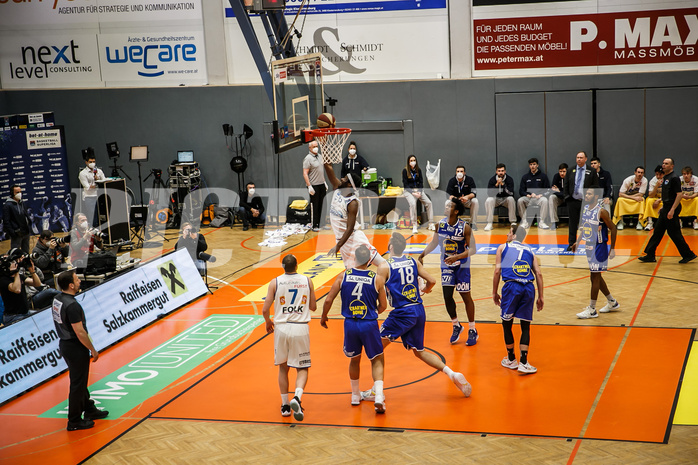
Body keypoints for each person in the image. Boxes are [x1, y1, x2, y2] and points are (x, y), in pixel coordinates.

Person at [376, 232, 471, 396]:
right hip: (419, 310)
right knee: (419, 351)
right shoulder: (412, 261)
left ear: (390, 246)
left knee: (376, 348)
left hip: (402, 312)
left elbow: (376, 290)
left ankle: (377, 392)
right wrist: (424, 290)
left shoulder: (385, 265)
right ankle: (452, 373)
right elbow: (432, 280)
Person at [321, 245, 388, 413]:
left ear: (355, 259)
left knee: (354, 359)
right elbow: (383, 306)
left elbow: (328, 300)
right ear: (369, 261)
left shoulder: (343, 276)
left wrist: (324, 316)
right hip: (369, 323)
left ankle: (355, 395)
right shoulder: (377, 278)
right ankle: (378, 396)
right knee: (377, 359)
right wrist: (371, 312)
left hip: (350, 324)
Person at [261, 254, 317, 421]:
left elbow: (265, 309)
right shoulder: (308, 281)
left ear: (283, 267)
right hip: (300, 328)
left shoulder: (275, 282)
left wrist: (268, 322)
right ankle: (297, 397)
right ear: (297, 266)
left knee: (283, 368)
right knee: (302, 368)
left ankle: (285, 405)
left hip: (281, 328)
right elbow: (313, 306)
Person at [52, 270, 109, 431]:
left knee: (80, 380)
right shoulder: (73, 305)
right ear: (70, 285)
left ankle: (89, 409)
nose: (79, 281)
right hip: (75, 347)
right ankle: (74, 421)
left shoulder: (57, 299)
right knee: (78, 384)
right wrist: (92, 349)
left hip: (65, 345)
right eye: (76, 279)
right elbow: (80, 332)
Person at [418, 198, 478, 346]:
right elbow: (433, 243)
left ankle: (472, 329)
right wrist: (422, 255)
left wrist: (457, 256)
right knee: (447, 296)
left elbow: (473, 249)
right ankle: (456, 325)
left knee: (466, 297)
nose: (446, 207)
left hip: (461, 266)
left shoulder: (465, 228)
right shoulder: (440, 225)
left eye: (449, 206)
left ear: (456, 211)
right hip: (446, 266)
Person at [492, 223, 544, 374]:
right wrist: (541, 296)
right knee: (525, 326)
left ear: (514, 235)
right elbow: (539, 274)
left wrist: (494, 292)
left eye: (509, 232)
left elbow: (497, 271)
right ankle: (524, 362)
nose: (507, 235)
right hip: (528, 288)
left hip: (511, 287)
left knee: (507, 324)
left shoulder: (503, 247)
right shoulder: (530, 250)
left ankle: (510, 359)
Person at [323, 162, 387, 269]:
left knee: (382, 263)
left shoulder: (352, 203)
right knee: (352, 272)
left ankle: (400, 273)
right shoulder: (337, 188)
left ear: (349, 185)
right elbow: (329, 170)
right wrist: (324, 155)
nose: (342, 179)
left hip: (354, 239)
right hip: (342, 241)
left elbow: (350, 228)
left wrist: (337, 246)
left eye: (345, 178)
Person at [572, 188, 621, 318]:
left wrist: (612, 248)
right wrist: (577, 242)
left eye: (589, 194)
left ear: (596, 197)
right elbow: (585, 228)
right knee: (594, 277)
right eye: (586, 193)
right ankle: (612, 302)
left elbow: (613, 228)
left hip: (599, 247)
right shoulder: (586, 209)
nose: (586, 195)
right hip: (589, 247)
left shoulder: (602, 212)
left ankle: (592, 309)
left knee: (595, 277)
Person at [639, 158, 697, 264]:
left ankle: (688, 254)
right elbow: (667, 195)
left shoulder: (674, 178)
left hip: (671, 208)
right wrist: (663, 207)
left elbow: (679, 195)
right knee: (657, 232)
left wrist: (672, 210)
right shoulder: (666, 177)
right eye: (663, 163)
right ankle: (650, 255)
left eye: (666, 164)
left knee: (674, 233)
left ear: (672, 166)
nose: (664, 165)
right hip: (666, 208)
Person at [562, 151, 599, 250]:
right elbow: (565, 185)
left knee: (588, 224)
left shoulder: (591, 171)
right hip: (572, 200)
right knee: (572, 223)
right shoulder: (570, 170)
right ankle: (571, 244)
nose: (579, 159)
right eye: (577, 157)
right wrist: (567, 197)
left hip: (586, 202)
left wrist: (593, 201)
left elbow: (595, 186)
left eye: (581, 157)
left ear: (586, 159)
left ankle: (590, 244)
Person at [402, 155, 435, 234]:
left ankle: (431, 223)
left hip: (418, 190)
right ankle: (414, 225)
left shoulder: (418, 170)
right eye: (411, 160)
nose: (413, 162)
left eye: (414, 160)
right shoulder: (405, 170)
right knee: (413, 204)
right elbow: (405, 185)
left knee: (429, 203)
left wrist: (419, 192)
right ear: (408, 162)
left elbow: (421, 182)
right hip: (409, 191)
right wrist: (413, 193)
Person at [517, 157, 551, 229]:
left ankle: (542, 222)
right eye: (531, 164)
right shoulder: (525, 177)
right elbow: (521, 191)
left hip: (539, 198)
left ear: (537, 165)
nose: (532, 166)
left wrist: (541, 195)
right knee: (520, 200)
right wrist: (527, 194)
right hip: (528, 198)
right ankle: (524, 222)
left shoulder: (543, 176)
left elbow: (548, 190)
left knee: (545, 200)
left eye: (534, 164)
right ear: (529, 166)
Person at [302, 140, 327, 232]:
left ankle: (322, 223)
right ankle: (314, 225)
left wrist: (324, 182)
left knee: (323, 204)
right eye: (314, 146)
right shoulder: (308, 158)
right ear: (310, 148)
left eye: (317, 146)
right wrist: (309, 186)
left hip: (321, 184)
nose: (316, 148)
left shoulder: (320, 156)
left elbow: (321, 171)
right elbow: (305, 173)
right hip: (314, 186)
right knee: (315, 206)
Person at [484, 163, 516, 231]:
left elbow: (510, 193)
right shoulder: (492, 180)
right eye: (499, 171)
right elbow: (489, 193)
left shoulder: (509, 179)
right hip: (496, 199)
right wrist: (496, 185)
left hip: (505, 199)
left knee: (511, 199)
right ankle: (489, 223)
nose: (500, 172)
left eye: (502, 171)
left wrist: (503, 185)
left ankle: (513, 222)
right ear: (496, 172)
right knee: (489, 200)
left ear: (505, 171)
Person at [446, 165, 479, 230]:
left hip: (467, 201)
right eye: (458, 171)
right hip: (456, 202)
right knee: (447, 202)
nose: (459, 173)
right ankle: (450, 223)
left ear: (464, 173)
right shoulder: (452, 181)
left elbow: (474, 193)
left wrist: (467, 197)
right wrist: (457, 199)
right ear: (455, 173)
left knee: (475, 201)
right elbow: (448, 195)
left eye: (461, 171)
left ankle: (473, 224)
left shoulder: (470, 180)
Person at [78, 153, 105, 227]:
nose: (92, 163)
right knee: (93, 217)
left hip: (100, 196)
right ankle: (93, 234)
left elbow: (104, 181)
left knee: (103, 216)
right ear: (86, 162)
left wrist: (98, 179)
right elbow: (87, 187)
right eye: (90, 162)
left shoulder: (99, 171)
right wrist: (97, 184)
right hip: (89, 197)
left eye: (93, 161)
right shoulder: (83, 173)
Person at [3, 185, 32, 253]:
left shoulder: (21, 203)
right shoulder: (8, 205)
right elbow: (6, 221)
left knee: (26, 251)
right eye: (17, 192)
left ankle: (26, 263)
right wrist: (12, 233)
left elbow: (25, 215)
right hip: (17, 234)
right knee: (16, 253)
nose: (20, 194)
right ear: (12, 193)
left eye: (20, 192)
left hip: (25, 231)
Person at [642, 165, 664, 231]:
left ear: (664, 174)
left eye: (660, 174)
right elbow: (651, 195)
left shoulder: (667, 180)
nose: (658, 176)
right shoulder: (653, 181)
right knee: (648, 200)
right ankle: (650, 222)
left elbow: (670, 194)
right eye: (657, 174)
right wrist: (656, 186)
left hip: (664, 198)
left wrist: (660, 200)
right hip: (655, 197)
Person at [549, 163, 568, 230]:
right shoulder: (556, 177)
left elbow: (569, 193)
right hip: (559, 198)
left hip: (568, 199)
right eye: (560, 171)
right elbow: (553, 190)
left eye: (564, 171)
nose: (562, 173)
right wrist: (561, 193)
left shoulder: (571, 177)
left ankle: (574, 222)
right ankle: (554, 222)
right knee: (551, 197)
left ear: (567, 171)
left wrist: (559, 191)